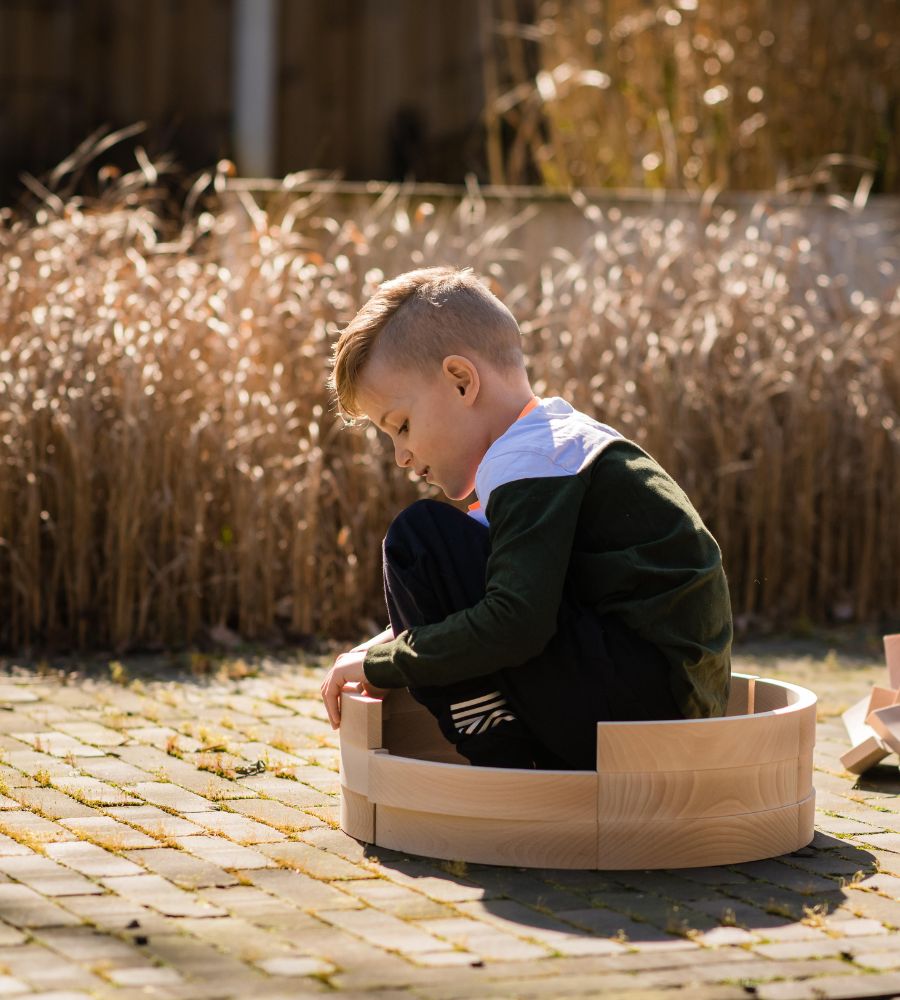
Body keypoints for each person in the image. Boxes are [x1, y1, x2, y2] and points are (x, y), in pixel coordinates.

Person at [320, 266, 733, 770]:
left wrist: (385, 665)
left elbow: (515, 624)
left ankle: (501, 758)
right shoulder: (550, 447)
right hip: (661, 705)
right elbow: (507, 597)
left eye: (401, 426)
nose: (401, 456)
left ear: (460, 380)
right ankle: (512, 748)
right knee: (442, 553)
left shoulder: (530, 462)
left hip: (636, 716)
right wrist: (378, 648)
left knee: (420, 540)